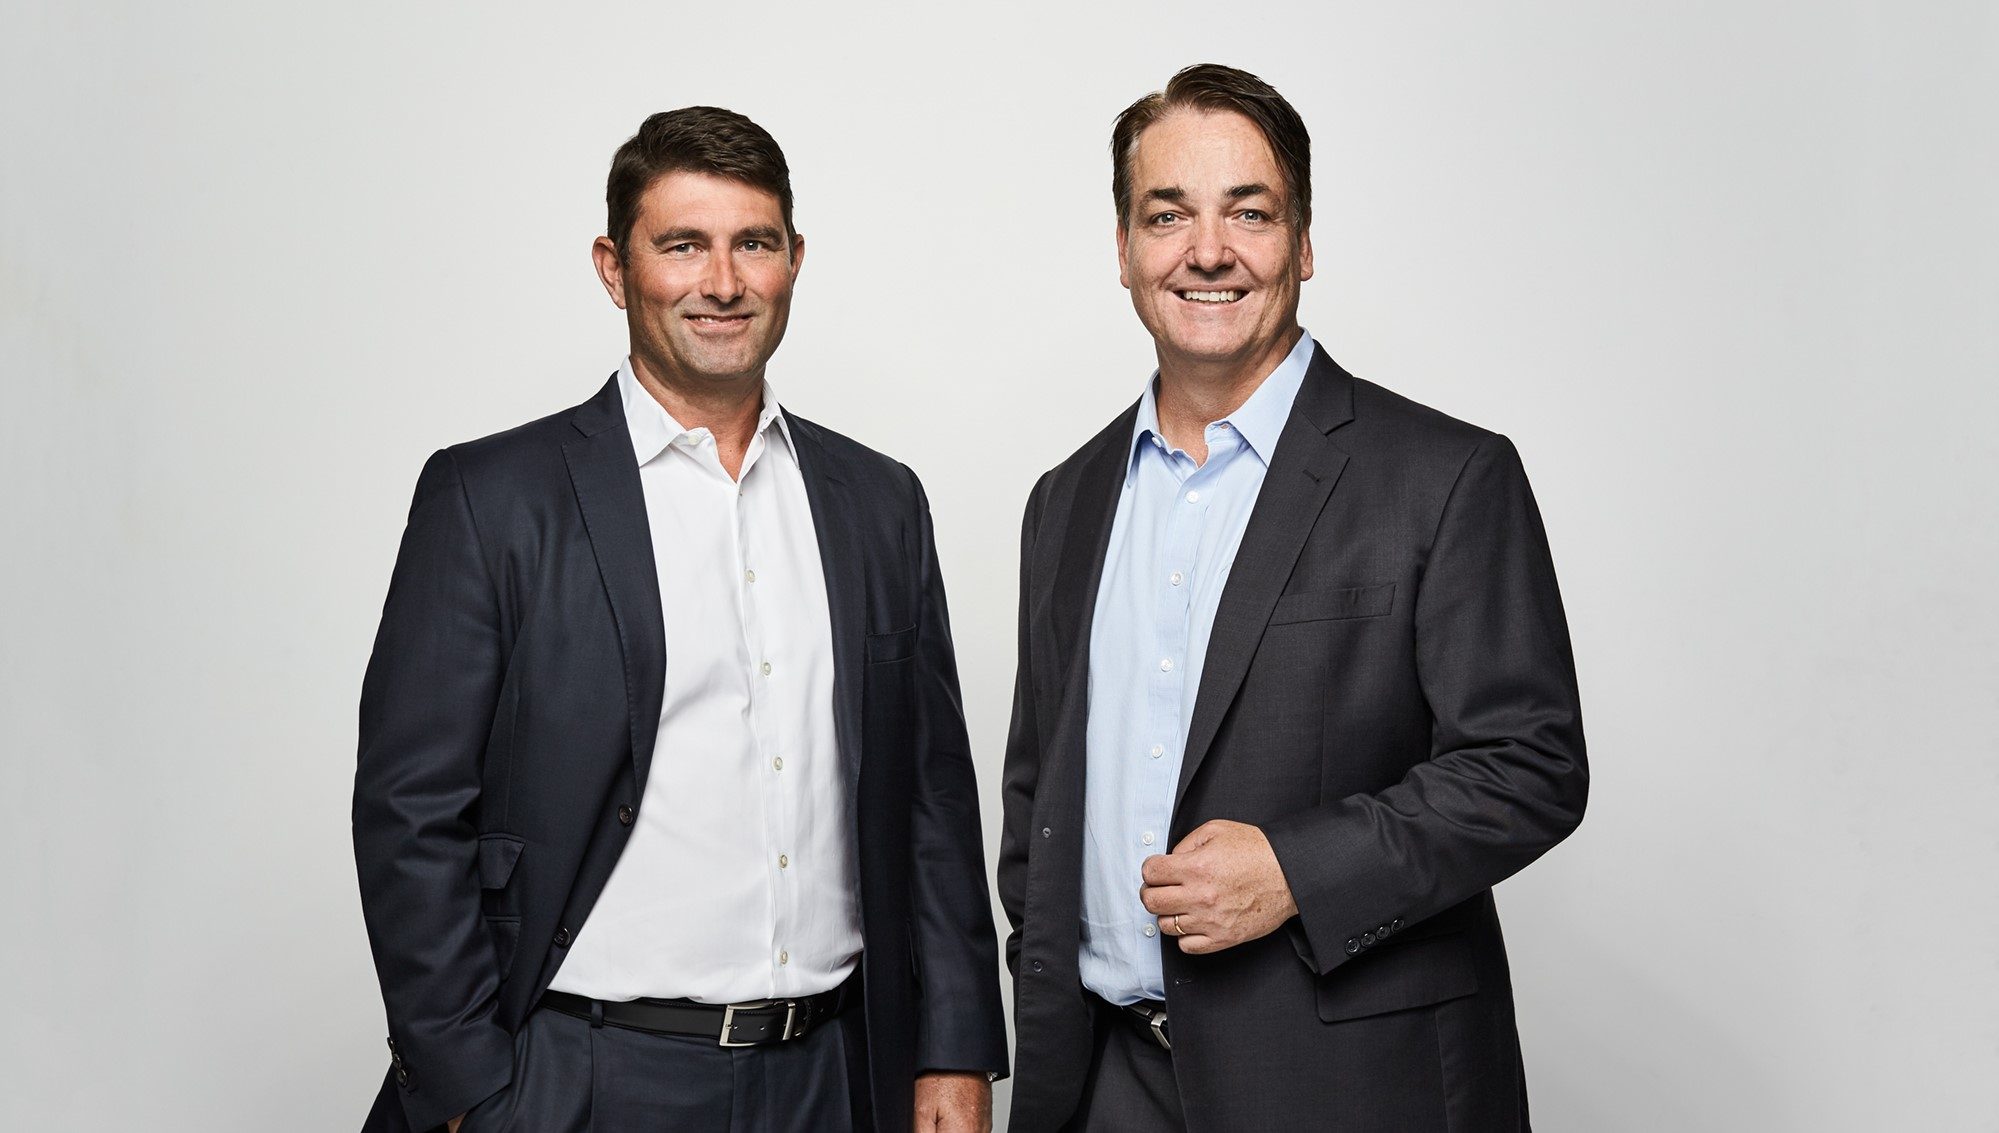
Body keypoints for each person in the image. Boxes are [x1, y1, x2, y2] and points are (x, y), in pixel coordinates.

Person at [353, 106, 1006, 1133]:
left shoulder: (878, 501)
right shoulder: (491, 498)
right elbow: (410, 807)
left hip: (834, 1076)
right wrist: (467, 1086)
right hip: (583, 1074)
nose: (723, 281)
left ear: (794, 260)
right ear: (615, 269)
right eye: (683, 245)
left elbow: (931, 800)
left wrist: (954, 1051)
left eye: (754, 243)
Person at [998, 64, 1588, 1131]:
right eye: (1166, 215)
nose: (1206, 251)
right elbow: (1039, 796)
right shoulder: (1066, 499)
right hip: (1101, 1085)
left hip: (1351, 1088)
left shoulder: (1445, 476)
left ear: (1302, 243)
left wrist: (1294, 870)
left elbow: (1530, 764)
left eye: (1249, 212)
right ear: (1124, 250)